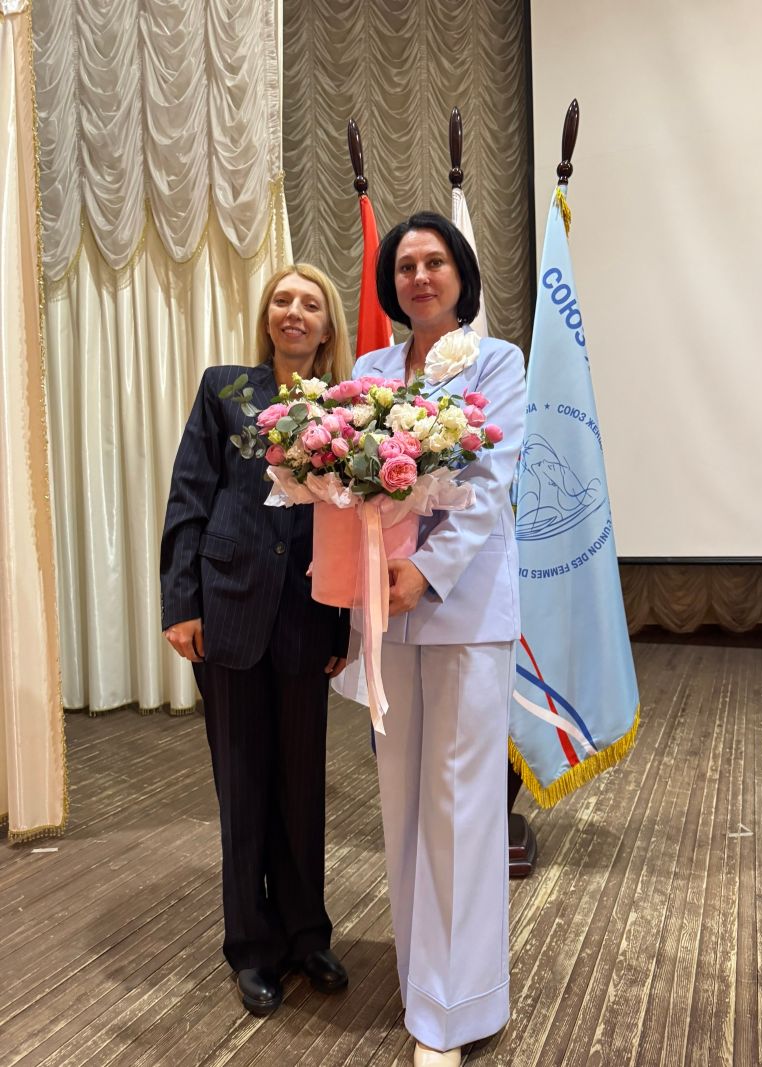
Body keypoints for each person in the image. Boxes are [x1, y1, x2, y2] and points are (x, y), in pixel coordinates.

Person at [352, 213, 525, 1066]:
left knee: (460, 803)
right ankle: (423, 982)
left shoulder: (497, 361)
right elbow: (352, 488)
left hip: (463, 604)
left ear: (461, 275)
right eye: (405, 265)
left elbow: (488, 483)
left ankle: (454, 1013)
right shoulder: (370, 371)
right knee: (401, 800)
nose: (419, 276)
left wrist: (426, 570)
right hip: (384, 606)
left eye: (435, 262)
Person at [160, 264, 352, 1017]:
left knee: (302, 787)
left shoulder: (346, 406)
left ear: (328, 326)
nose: (293, 311)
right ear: (267, 315)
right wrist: (182, 602)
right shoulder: (226, 390)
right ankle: (252, 947)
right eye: (282, 300)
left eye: (310, 303)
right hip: (230, 609)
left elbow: (351, 523)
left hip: (307, 615)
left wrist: (341, 621)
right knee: (242, 787)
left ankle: (306, 935)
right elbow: (189, 492)